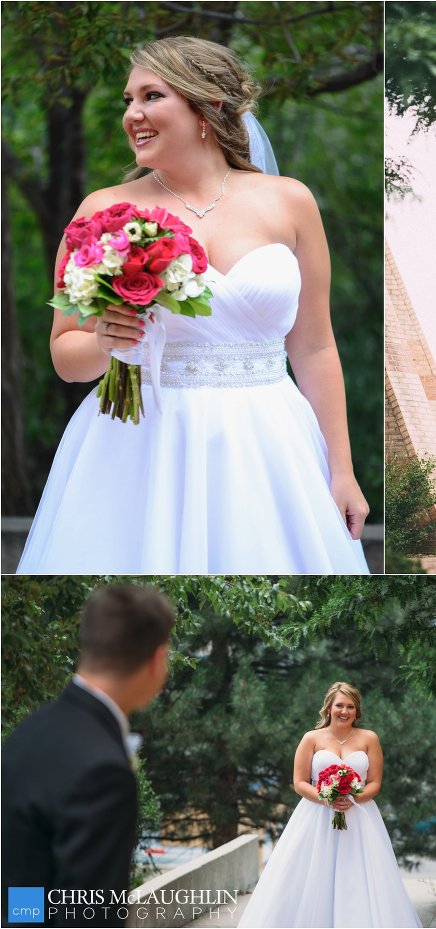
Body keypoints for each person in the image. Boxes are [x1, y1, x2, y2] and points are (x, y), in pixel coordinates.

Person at [17, 35, 369, 574]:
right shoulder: (105, 210)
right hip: (139, 439)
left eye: (151, 96)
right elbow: (66, 357)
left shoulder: (289, 200)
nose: (132, 114)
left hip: (268, 439)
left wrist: (341, 470)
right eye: (128, 100)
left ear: (208, 107)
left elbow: (316, 346)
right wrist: (106, 340)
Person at [2, 585, 175, 928]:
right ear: (157, 659)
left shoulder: (29, 731)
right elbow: (87, 915)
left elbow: (22, 876)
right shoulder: (104, 772)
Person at [238, 682, 421, 928]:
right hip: (316, 816)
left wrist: (353, 797)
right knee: (311, 875)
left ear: (357, 711)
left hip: (359, 818)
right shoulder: (311, 738)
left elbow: (375, 782)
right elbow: (299, 782)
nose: (344, 711)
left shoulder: (369, 738)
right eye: (339, 705)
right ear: (328, 708)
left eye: (350, 706)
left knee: (358, 876)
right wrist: (327, 799)